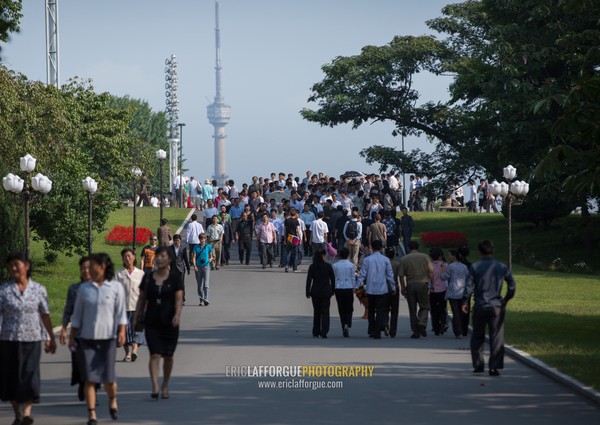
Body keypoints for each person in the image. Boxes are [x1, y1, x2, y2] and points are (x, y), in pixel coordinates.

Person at [69, 253, 127, 425]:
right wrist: (72, 337)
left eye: (94, 265)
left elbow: (121, 314)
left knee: (109, 379)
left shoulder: (115, 287)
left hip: (107, 339)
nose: (90, 269)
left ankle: (112, 400)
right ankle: (92, 413)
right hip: (86, 339)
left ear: (104, 267)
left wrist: (122, 331)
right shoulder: (84, 289)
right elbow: (77, 317)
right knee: (89, 378)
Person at [0, 252, 57, 425]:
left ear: (27, 266)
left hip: (32, 339)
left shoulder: (39, 290)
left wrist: (50, 337)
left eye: (17, 264)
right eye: (11, 266)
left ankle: (27, 413)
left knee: (30, 375)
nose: (14, 268)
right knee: (13, 377)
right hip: (9, 339)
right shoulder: (4, 290)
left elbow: (45, 315)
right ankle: (17, 413)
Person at [133, 246, 183, 399]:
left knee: (168, 356)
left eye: (163, 256)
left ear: (168, 259)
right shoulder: (147, 278)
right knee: (154, 354)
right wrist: (136, 317)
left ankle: (165, 384)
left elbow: (179, 299)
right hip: (152, 321)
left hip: (170, 322)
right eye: (158, 256)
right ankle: (155, 385)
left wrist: (177, 315)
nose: (159, 258)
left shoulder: (175, 278)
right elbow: (141, 299)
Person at [462, 240, 516, 376]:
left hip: (480, 305)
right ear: (493, 251)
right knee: (496, 336)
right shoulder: (501, 267)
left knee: (477, 336)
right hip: (496, 306)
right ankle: (494, 366)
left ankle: (478, 365)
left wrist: (465, 302)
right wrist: (505, 300)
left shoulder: (475, 267)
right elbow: (512, 286)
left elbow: (469, 286)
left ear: (480, 252)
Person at [60, 256, 92, 401]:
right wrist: (63, 329)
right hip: (78, 333)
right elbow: (68, 310)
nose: (86, 270)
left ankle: (92, 392)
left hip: (96, 333)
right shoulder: (74, 289)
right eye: (83, 268)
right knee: (79, 362)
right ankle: (82, 382)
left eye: (88, 267)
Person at [356, 240, 395, 339]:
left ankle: (372, 329)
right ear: (381, 248)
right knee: (381, 311)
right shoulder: (386, 260)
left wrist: (356, 285)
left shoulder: (367, 260)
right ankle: (377, 331)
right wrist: (393, 287)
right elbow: (390, 275)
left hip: (370, 289)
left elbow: (363, 274)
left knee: (371, 310)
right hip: (382, 289)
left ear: (372, 248)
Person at [116, 248, 146, 362]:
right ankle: (127, 352)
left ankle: (134, 350)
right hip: (123, 308)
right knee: (123, 332)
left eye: (129, 256)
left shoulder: (141, 273)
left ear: (134, 257)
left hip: (137, 307)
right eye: (125, 256)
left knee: (137, 331)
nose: (127, 258)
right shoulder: (118, 274)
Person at [399, 241, 433, 339]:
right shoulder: (425, 257)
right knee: (425, 306)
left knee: (412, 309)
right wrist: (433, 284)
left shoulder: (404, 259)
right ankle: (421, 323)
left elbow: (401, 276)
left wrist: (403, 287)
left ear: (409, 248)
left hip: (410, 284)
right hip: (423, 284)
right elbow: (431, 272)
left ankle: (415, 331)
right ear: (418, 247)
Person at [305, 249, 336, 338]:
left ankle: (316, 330)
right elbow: (333, 279)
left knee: (317, 312)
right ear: (323, 255)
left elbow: (309, 280)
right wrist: (333, 290)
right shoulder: (328, 266)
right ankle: (324, 331)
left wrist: (307, 291)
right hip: (326, 292)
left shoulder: (312, 267)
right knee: (325, 312)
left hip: (315, 292)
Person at [441, 249, 470, 339]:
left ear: (454, 256)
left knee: (455, 312)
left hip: (453, 292)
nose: (448, 257)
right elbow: (468, 277)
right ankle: (462, 330)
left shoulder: (450, 266)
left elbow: (444, 277)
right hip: (462, 291)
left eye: (449, 255)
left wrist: (442, 270)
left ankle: (458, 332)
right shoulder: (464, 267)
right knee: (462, 312)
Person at [332, 247, 356, 337]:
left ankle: (343, 325)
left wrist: (333, 288)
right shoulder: (351, 265)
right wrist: (354, 287)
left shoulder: (335, 265)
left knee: (341, 308)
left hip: (338, 288)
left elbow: (334, 278)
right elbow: (353, 278)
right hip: (348, 287)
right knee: (349, 308)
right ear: (348, 255)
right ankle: (348, 323)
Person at [429, 247, 448, 336]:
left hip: (433, 290)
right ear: (440, 256)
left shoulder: (430, 265)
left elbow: (430, 278)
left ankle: (435, 327)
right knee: (442, 309)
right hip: (443, 289)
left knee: (433, 310)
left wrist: (430, 287)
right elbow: (446, 277)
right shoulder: (444, 265)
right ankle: (442, 325)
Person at [192, 233, 214, 306]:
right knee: (199, 285)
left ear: (205, 239)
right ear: (199, 239)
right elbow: (194, 257)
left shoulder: (208, 246)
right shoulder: (196, 247)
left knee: (206, 284)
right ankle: (201, 299)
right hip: (198, 267)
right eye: (201, 238)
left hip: (206, 266)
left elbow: (211, 256)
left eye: (204, 238)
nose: (202, 240)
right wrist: (194, 266)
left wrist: (210, 259)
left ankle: (206, 299)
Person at [384, 247, 401, 337]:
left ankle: (385, 324)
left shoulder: (383, 263)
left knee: (385, 309)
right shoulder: (397, 264)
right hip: (395, 287)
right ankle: (393, 330)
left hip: (384, 288)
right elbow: (399, 275)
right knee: (394, 310)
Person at [168, 234, 190, 304]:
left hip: (181, 269)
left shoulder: (183, 248)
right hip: (172, 269)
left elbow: (185, 259)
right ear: (173, 241)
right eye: (175, 241)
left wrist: (188, 268)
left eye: (178, 240)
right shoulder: (169, 248)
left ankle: (182, 299)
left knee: (181, 284)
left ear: (180, 241)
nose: (177, 242)